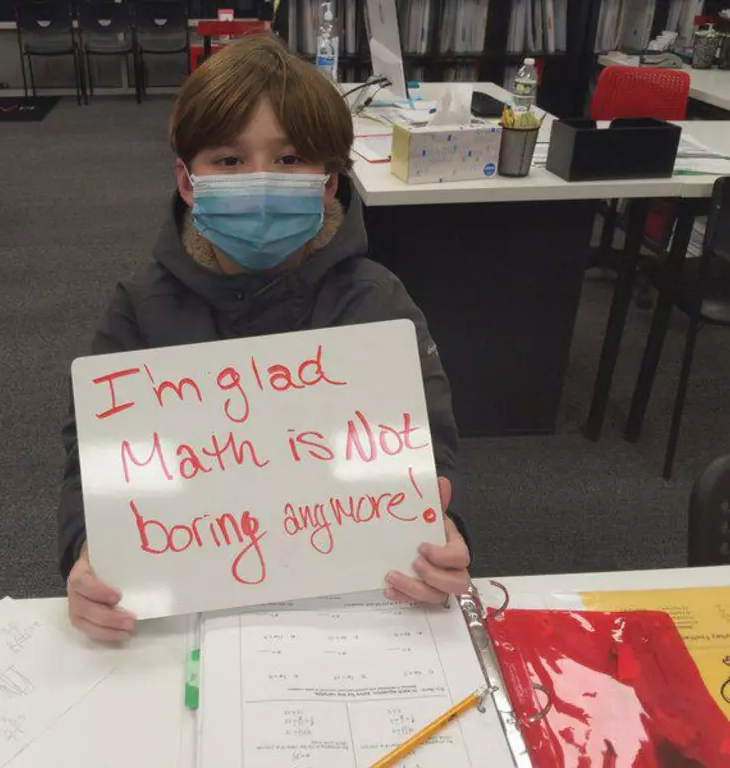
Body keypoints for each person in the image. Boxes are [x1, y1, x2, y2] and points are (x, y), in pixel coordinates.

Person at [59, 34, 470, 642]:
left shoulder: (377, 305)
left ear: (329, 182)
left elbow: (427, 456)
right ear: (187, 181)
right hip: (184, 607)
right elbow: (92, 462)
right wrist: (85, 553)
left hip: (353, 606)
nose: (260, 181)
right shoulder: (139, 311)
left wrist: (443, 536)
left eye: (290, 159)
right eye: (228, 161)